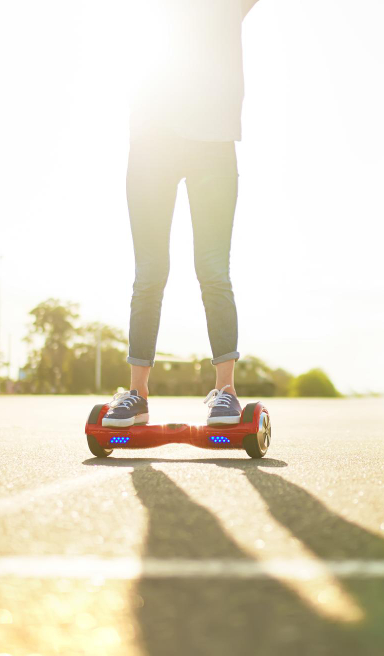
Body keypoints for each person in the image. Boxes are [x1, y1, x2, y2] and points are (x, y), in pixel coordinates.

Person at [103, 0, 261, 428]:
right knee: (149, 271)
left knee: (212, 268)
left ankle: (225, 392)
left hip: (212, 138)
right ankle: (137, 394)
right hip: (151, 138)